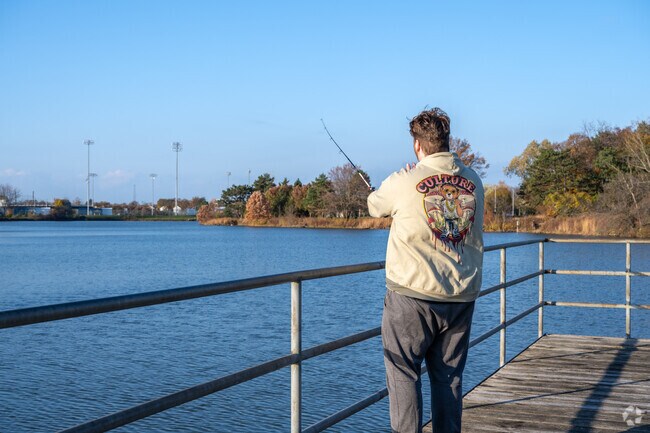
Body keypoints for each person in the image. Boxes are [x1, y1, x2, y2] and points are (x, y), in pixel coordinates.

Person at [367, 107, 484, 433]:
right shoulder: (474, 181)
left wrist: (397, 177)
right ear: (447, 141)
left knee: (403, 374)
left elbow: (374, 206)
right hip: (460, 297)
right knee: (449, 379)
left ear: (418, 145)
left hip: (411, 298)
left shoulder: (405, 180)